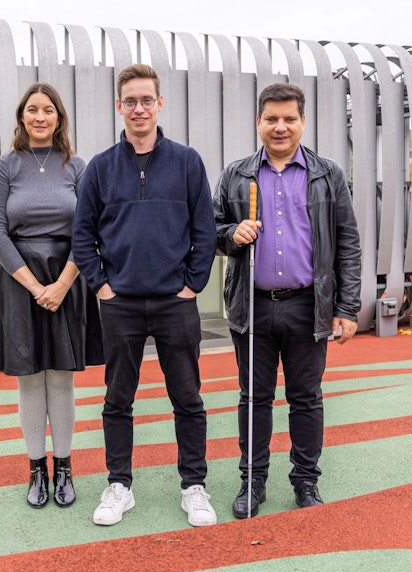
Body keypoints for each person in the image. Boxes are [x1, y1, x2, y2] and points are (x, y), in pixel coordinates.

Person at [72, 64, 218, 527]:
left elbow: (205, 229)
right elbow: (82, 236)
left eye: (146, 100)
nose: (139, 108)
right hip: (121, 305)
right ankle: (120, 485)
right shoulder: (100, 167)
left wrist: (193, 284)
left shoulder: (187, 161)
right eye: (130, 101)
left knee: (187, 397)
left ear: (159, 104)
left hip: (176, 302)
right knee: (118, 398)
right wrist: (102, 285)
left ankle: (194, 485)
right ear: (119, 106)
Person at [213, 82, 361, 519]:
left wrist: (347, 308)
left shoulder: (327, 173)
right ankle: (252, 482)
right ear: (258, 122)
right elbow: (211, 231)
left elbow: (347, 242)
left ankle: (305, 481)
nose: (280, 127)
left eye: (289, 119)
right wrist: (230, 235)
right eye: (271, 119)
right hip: (253, 305)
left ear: (302, 122)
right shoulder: (237, 173)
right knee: (254, 398)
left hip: (306, 304)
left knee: (306, 397)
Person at [0, 82, 104, 510]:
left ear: (59, 117)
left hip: (67, 280)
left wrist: (62, 284)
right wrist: (36, 287)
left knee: (61, 378)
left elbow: (90, 230)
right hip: (20, 284)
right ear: (21, 117)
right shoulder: (5, 167)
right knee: (30, 379)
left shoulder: (77, 167)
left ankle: (65, 468)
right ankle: (37, 469)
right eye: (31, 110)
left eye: (47, 110)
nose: (39, 117)